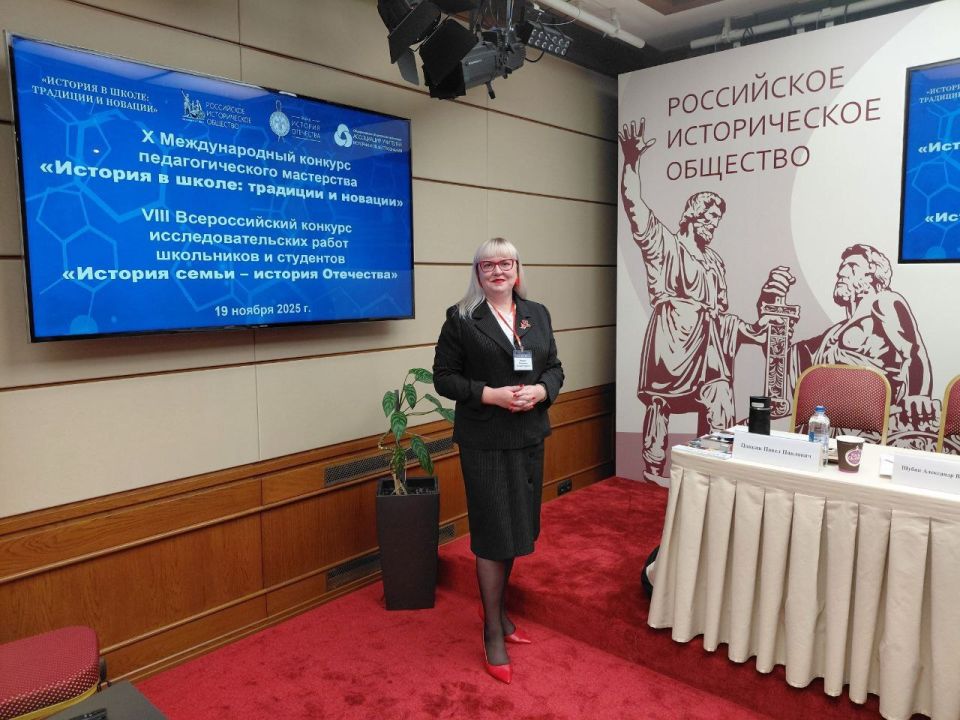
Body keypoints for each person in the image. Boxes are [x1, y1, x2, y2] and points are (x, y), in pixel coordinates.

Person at [433, 237, 564, 684]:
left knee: (518, 528)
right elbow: (444, 378)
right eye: (487, 264)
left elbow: (555, 367)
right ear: (477, 273)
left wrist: (541, 391)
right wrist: (490, 395)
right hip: (485, 440)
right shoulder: (461, 318)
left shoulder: (537, 314)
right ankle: (492, 630)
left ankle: (500, 614)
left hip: (528, 436)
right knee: (492, 533)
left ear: (517, 269)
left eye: (505, 263)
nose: (497, 271)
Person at [619, 119, 769, 481]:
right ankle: (653, 468)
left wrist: (752, 329)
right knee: (660, 402)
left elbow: (721, 313)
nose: (714, 224)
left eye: (717, 220)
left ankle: (711, 472)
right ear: (692, 214)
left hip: (709, 344)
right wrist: (631, 160)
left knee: (720, 394)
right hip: (671, 337)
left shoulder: (715, 261)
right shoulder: (664, 243)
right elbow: (634, 204)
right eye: (709, 217)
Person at [759, 243, 937, 440]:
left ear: (872, 275)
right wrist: (770, 305)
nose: (841, 272)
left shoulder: (884, 300)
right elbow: (782, 360)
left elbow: (913, 350)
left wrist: (918, 395)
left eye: (852, 266)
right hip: (827, 424)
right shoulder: (833, 333)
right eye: (842, 267)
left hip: (870, 425)